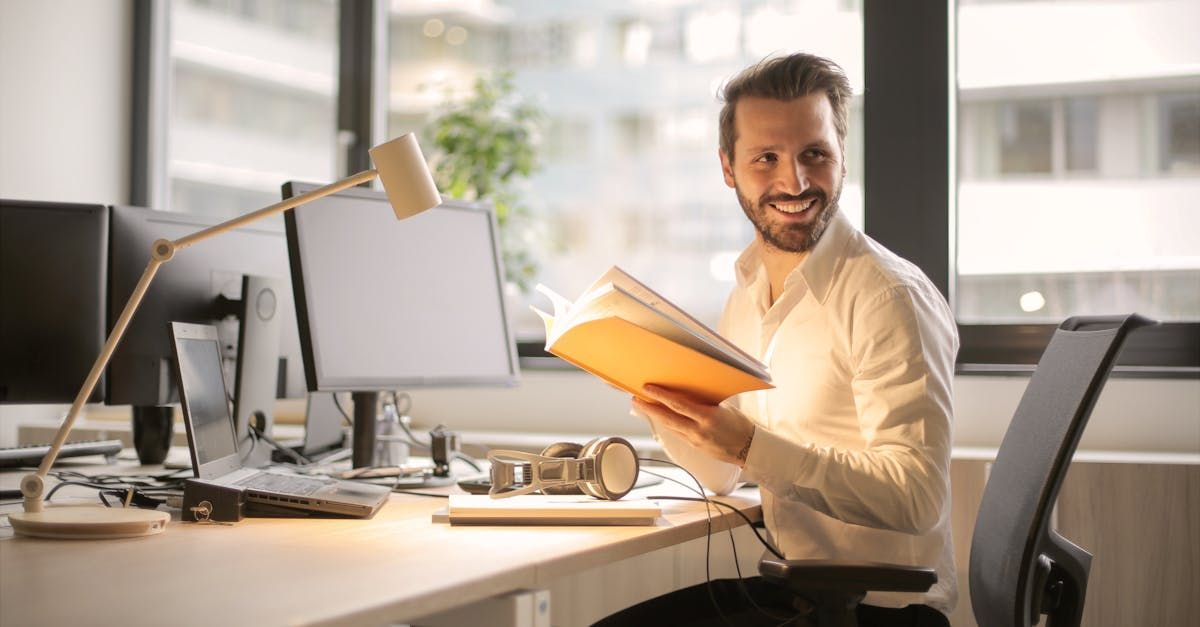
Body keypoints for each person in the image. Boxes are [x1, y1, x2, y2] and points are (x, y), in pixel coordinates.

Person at [600, 53, 958, 627]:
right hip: (802, 591)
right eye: (766, 158)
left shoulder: (888, 296)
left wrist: (750, 446)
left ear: (842, 156)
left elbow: (915, 498)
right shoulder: (747, 291)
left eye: (814, 154)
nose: (794, 181)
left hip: (886, 610)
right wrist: (655, 396)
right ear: (728, 168)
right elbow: (721, 476)